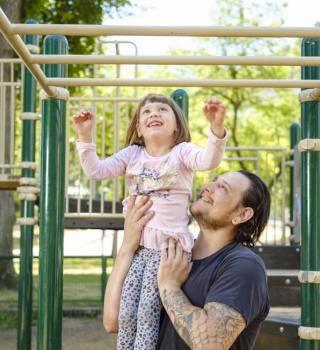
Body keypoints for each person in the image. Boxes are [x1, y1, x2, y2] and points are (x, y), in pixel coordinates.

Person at [73, 93, 228, 350]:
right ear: (139, 128)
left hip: (167, 252)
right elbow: (95, 171)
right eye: (146, 112)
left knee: (147, 312)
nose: (153, 113)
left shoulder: (181, 153)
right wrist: (85, 136)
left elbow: (208, 160)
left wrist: (217, 128)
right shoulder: (132, 155)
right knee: (126, 313)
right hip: (139, 250)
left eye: (162, 110)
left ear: (177, 125)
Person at [103, 170, 270, 350]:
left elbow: (210, 345)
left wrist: (169, 287)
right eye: (214, 181)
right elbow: (113, 322)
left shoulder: (244, 266)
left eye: (223, 187)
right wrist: (128, 246)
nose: (207, 186)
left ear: (242, 214)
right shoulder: (171, 252)